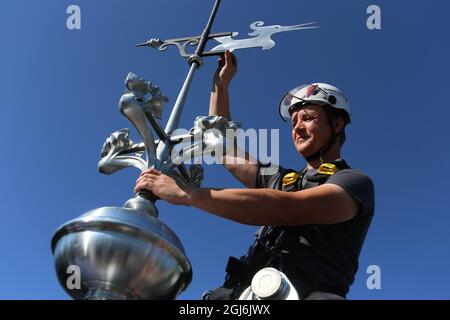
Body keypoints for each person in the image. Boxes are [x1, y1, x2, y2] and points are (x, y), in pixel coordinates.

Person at [134, 50, 375, 300]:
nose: (298, 128)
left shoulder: (354, 182)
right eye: (293, 124)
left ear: (337, 124)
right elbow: (224, 148)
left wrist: (188, 194)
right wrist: (221, 83)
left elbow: (288, 209)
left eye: (309, 118)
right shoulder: (281, 179)